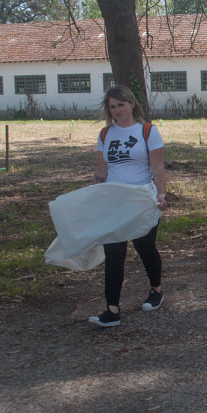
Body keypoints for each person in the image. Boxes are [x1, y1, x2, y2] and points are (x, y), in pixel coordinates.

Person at [88, 85, 168, 327]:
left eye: (120, 105)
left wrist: (161, 194)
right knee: (114, 253)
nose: (116, 110)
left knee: (145, 247)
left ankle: (156, 289)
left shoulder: (147, 131)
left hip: (142, 199)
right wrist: (95, 193)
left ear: (132, 104)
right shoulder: (105, 134)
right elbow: (101, 169)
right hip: (114, 201)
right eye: (112, 106)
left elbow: (157, 168)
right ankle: (112, 310)